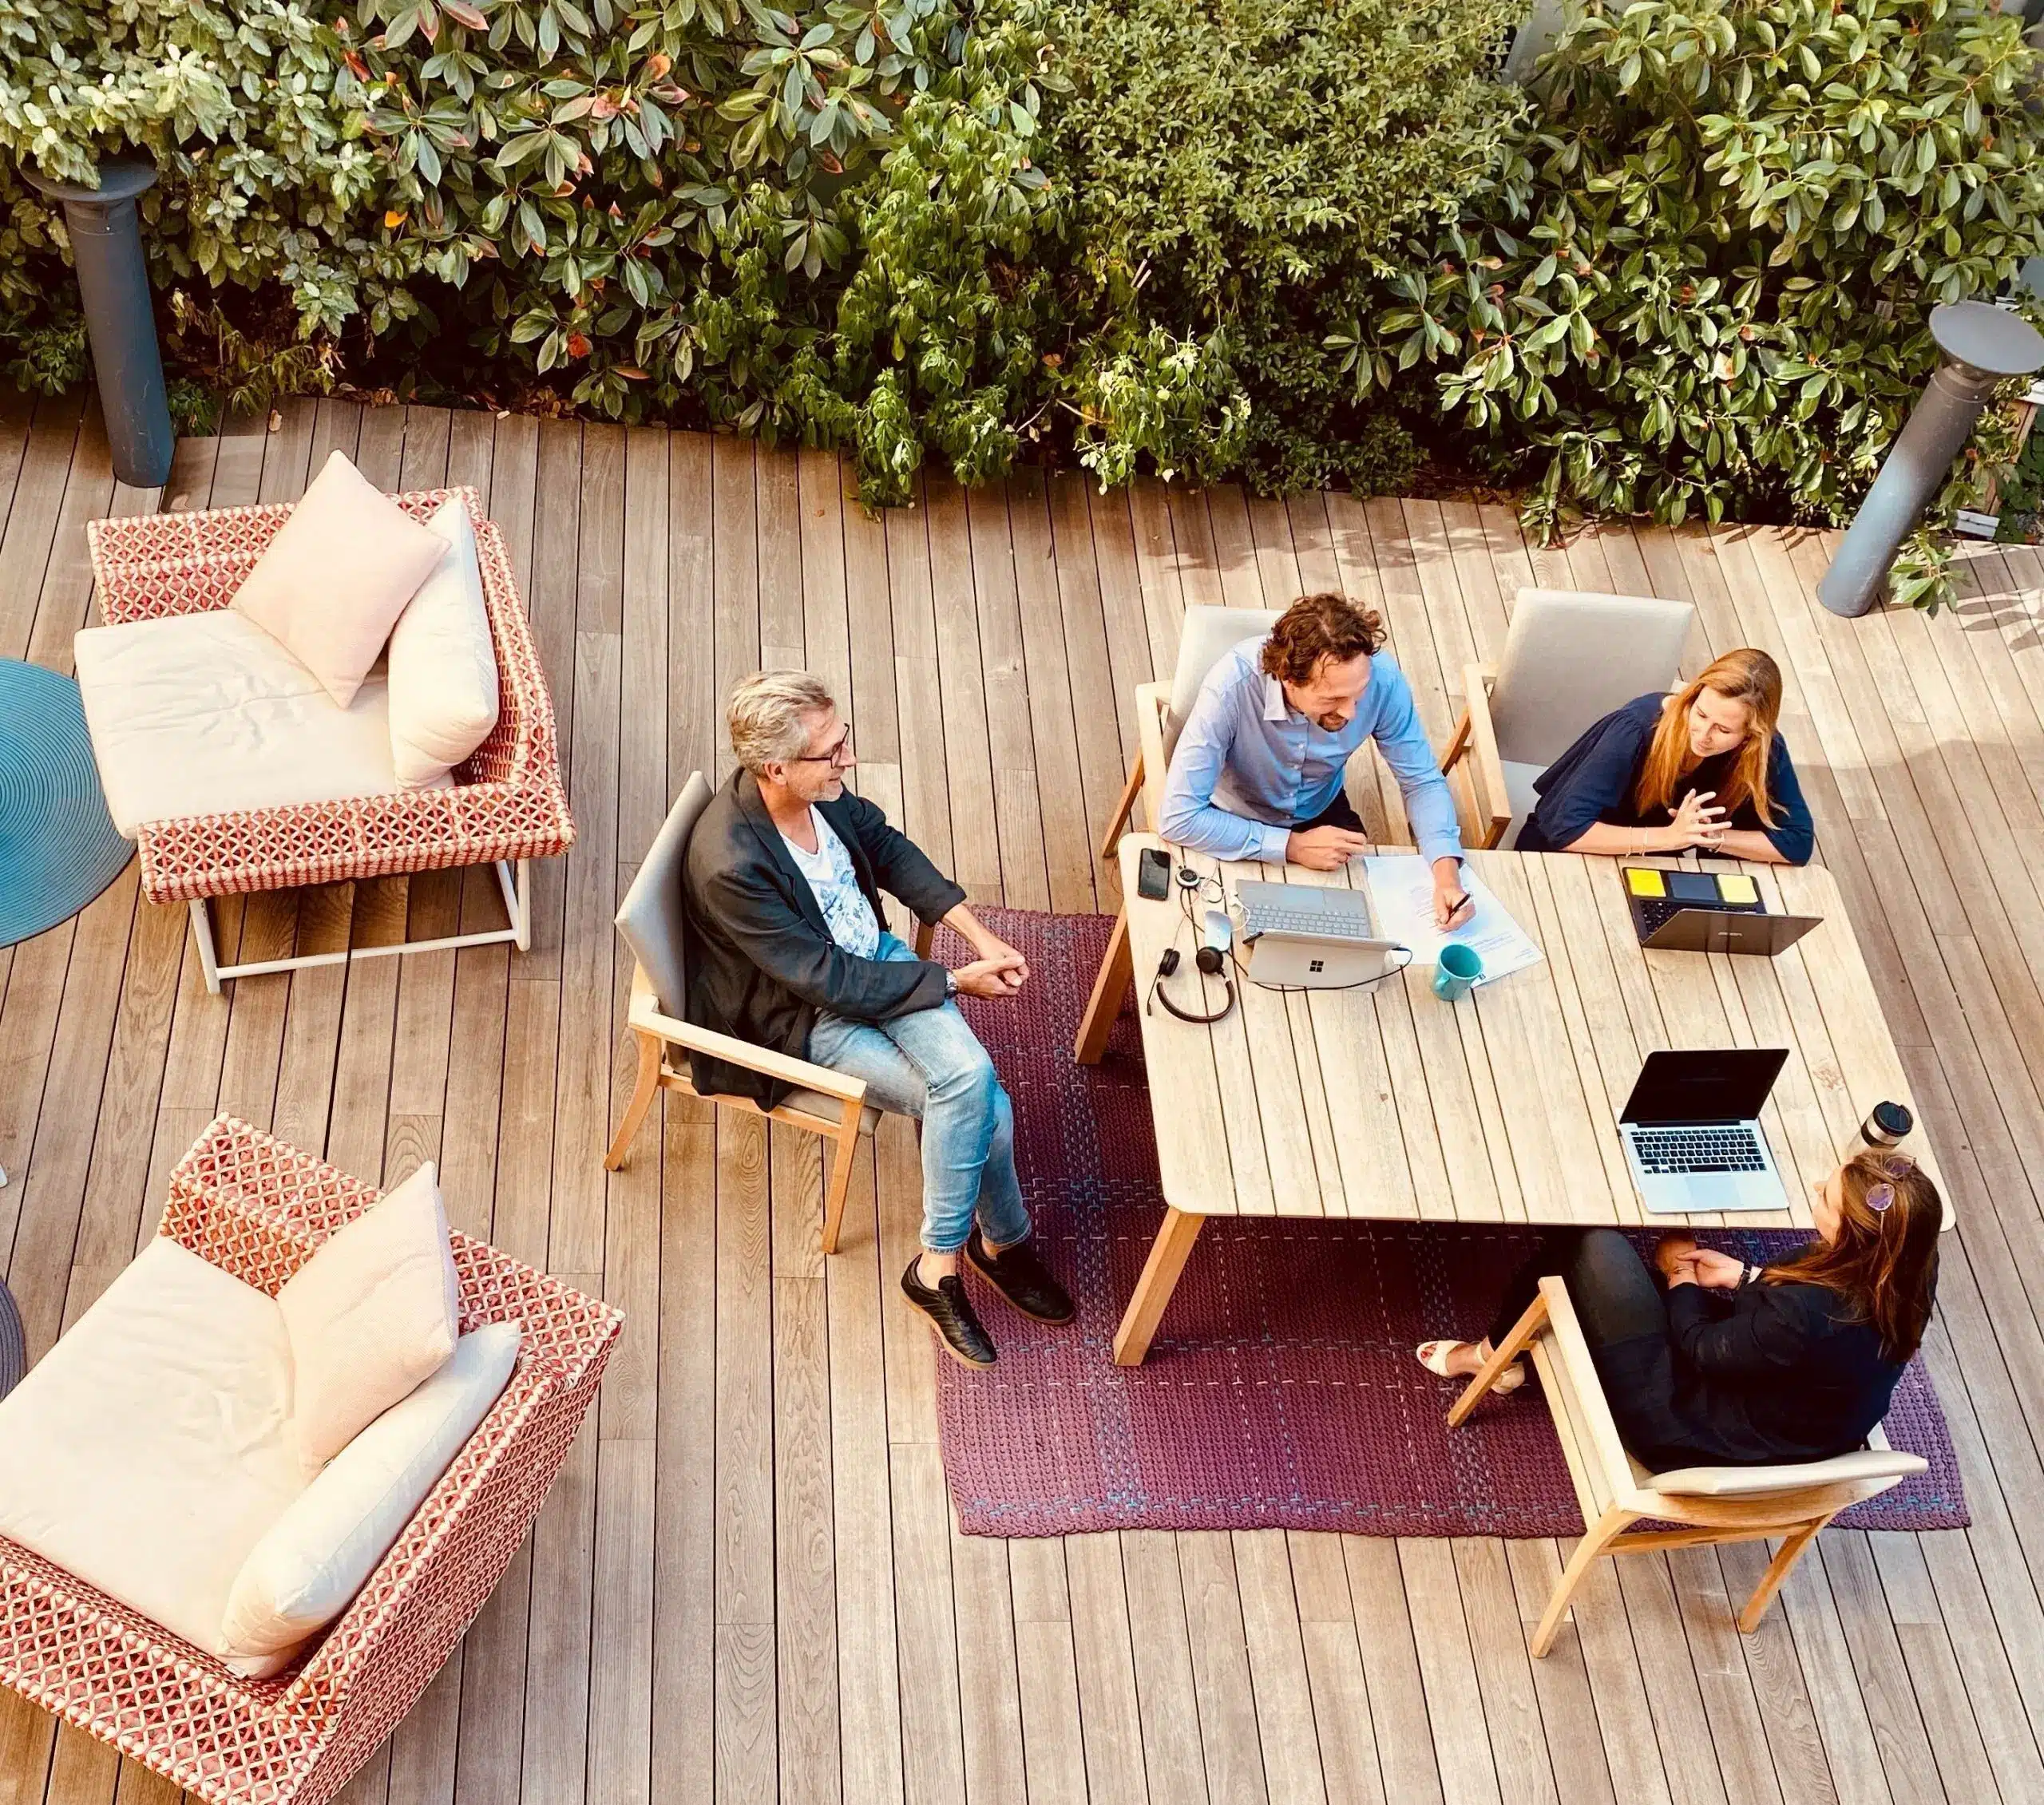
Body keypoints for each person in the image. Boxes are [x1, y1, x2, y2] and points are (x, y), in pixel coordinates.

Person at [682, 671, 1074, 1369]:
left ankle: (947, 1264)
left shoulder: (819, 795)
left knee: (973, 1093)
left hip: (879, 961)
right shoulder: (730, 864)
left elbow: (888, 849)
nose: (847, 760)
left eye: (843, 740)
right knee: (977, 1097)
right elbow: (827, 980)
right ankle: (983, 1248)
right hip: (810, 1013)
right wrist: (955, 980)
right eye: (831, 751)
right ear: (776, 766)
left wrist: (979, 938)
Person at [1416, 1150, 1941, 1470]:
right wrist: (1744, 1275)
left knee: (1587, 1247)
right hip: (1800, 1420)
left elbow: (1701, 1349)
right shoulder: (1909, 1266)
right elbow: (1805, 1333)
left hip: (1689, 1422)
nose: (1815, 1189)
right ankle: (1496, 1349)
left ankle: (1489, 1357)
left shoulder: (1802, 1314)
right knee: (1612, 1268)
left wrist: (1679, 1273)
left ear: (1850, 1235)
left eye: (1824, 1197)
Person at [1159, 592, 1473, 929]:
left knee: (1365, 932)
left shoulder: (1384, 680)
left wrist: (1446, 874)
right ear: (1288, 678)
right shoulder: (1230, 689)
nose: (1351, 712)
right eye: (1334, 699)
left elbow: (1422, 782)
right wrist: (1292, 846)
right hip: (1230, 820)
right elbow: (1179, 817)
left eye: (1358, 693)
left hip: (1321, 811)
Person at [1513, 647, 1815, 865]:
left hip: (1650, 867)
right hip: (1563, 861)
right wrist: (1670, 838)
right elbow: (1564, 830)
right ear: (1693, 696)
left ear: (1750, 734)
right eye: (1700, 713)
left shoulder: (1764, 749)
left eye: (1723, 729)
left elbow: (1797, 844)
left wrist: (1706, 836)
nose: (1703, 734)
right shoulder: (1636, 728)